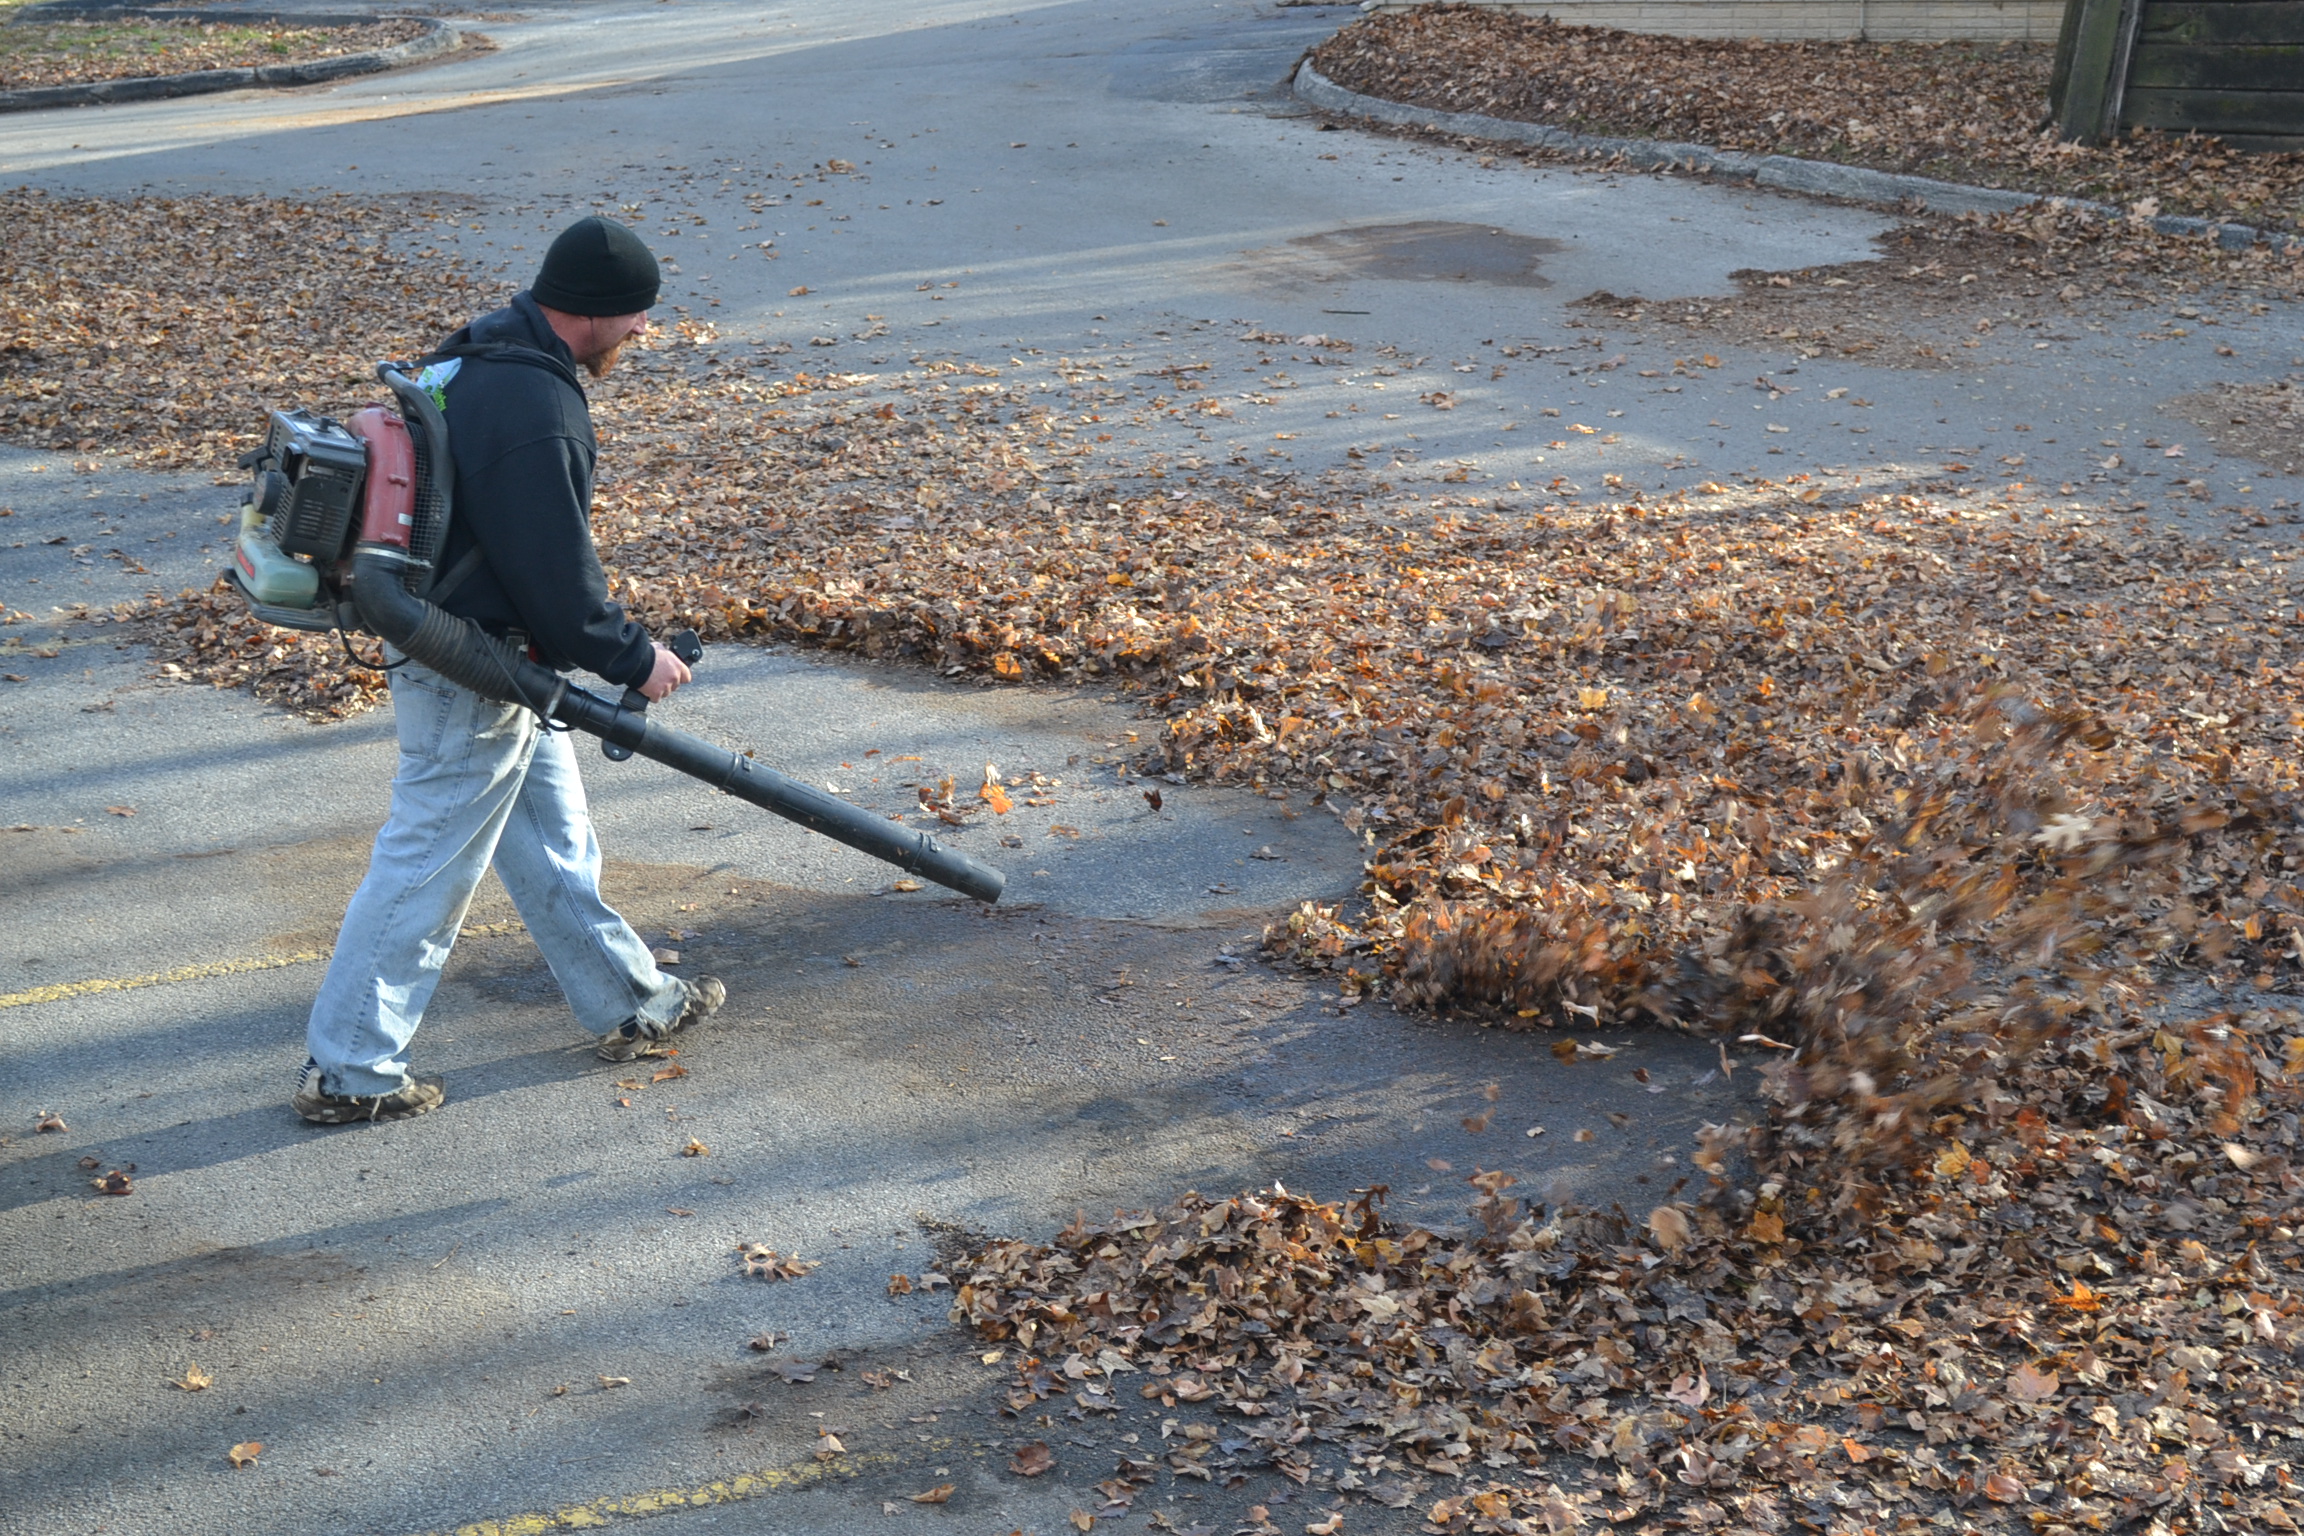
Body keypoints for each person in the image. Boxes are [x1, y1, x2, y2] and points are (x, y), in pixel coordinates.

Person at [293, 216, 725, 1126]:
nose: (645, 330)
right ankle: (353, 1068)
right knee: (425, 864)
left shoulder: (474, 356)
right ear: (598, 312)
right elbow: (554, 570)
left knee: (551, 833)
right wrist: (631, 657)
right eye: (638, 314)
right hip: (470, 664)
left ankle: (629, 999)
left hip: (476, 651)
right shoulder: (539, 408)